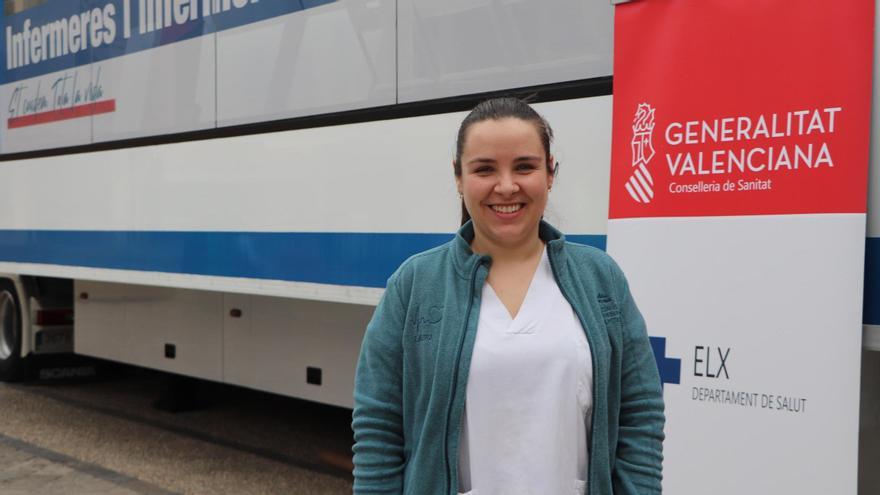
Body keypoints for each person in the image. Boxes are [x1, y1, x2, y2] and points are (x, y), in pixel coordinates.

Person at [352, 97, 664, 495]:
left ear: (550, 173)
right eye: (484, 169)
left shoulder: (601, 278)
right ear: (458, 177)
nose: (506, 186)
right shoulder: (414, 284)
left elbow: (640, 414)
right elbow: (379, 427)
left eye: (524, 166)